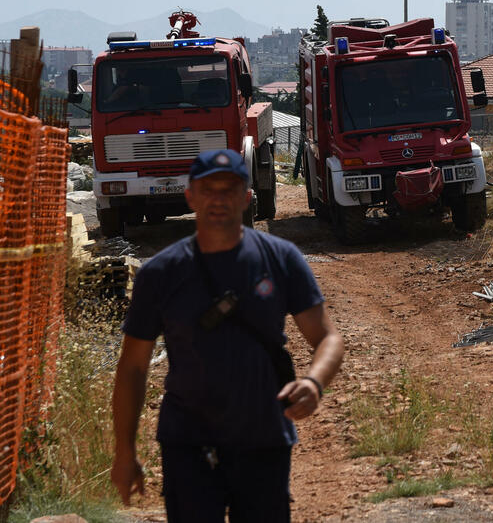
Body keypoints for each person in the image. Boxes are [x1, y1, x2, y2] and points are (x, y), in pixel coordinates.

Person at [111, 148, 344, 522]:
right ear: (190, 196)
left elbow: (328, 338)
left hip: (263, 437)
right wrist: (125, 452)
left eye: (229, 189)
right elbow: (133, 368)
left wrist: (315, 383)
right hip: (187, 442)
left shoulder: (281, 258)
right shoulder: (161, 273)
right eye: (208, 189)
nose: (218, 199)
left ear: (247, 197)